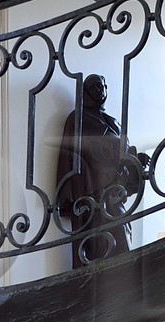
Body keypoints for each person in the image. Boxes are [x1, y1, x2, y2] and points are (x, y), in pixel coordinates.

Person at [52, 74, 144, 267]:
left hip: (114, 191)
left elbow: (121, 155)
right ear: (85, 92)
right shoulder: (78, 118)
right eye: (93, 87)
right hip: (93, 193)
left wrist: (135, 161)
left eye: (101, 86)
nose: (98, 91)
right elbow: (74, 156)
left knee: (121, 235)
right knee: (104, 243)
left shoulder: (113, 122)